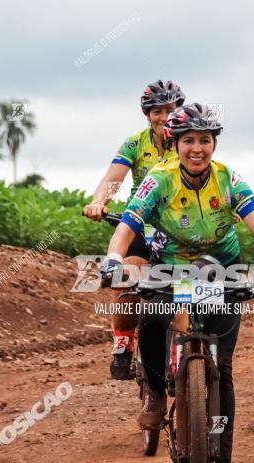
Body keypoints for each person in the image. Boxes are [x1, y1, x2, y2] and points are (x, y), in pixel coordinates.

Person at [100, 103, 254, 463]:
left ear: (214, 144)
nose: (197, 148)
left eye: (205, 140)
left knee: (223, 369)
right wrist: (113, 258)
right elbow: (131, 223)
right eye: (189, 140)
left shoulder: (229, 180)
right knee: (152, 316)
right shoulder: (159, 179)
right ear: (176, 143)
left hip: (220, 266)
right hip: (168, 264)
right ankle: (154, 390)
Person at [83, 80, 185, 379]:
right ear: (147, 113)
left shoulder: (186, 141)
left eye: (170, 109)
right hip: (141, 223)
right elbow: (113, 177)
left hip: (180, 226)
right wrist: (99, 202)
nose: (164, 116)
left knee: (187, 285)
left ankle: (187, 350)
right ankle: (123, 343)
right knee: (126, 277)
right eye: (157, 111)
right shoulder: (134, 143)